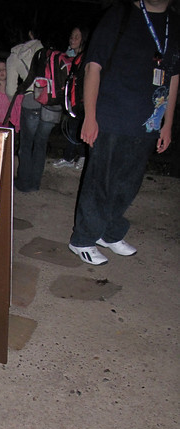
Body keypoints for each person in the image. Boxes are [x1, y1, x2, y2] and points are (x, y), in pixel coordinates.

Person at [69, 0, 179, 265]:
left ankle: (108, 232)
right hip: (110, 116)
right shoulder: (120, 14)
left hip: (148, 121)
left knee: (128, 183)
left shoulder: (174, 23)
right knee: (100, 181)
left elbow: (174, 75)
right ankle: (82, 239)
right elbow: (93, 67)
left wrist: (167, 123)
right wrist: (90, 117)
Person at [6, 30, 57, 192]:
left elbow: (10, 90)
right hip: (51, 104)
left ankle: (24, 183)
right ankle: (35, 183)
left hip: (31, 102)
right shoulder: (48, 52)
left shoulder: (15, 55)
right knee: (41, 145)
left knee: (26, 145)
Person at [53, 26, 89, 171]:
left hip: (83, 100)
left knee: (79, 128)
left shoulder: (87, 57)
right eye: (71, 36)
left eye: (76, 37)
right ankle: (70, 157)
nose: (72, 39)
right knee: (72, 128)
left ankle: (82, 157)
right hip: (72, 99)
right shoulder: (69, 55)